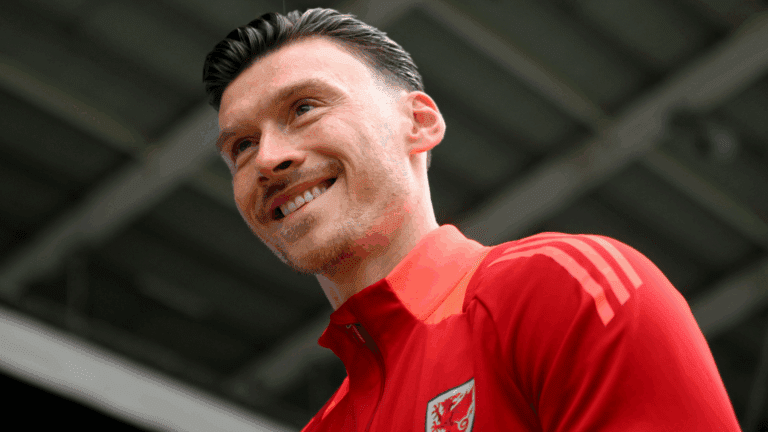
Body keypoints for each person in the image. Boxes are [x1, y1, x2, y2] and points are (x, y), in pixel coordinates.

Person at [202, 8, 741, 431]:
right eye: (242, 145)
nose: (268, 158)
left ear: (419, 122)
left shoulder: (565, 286)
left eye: (303, 108)